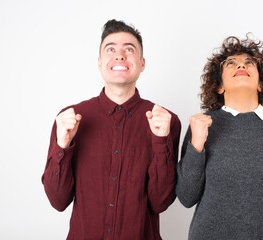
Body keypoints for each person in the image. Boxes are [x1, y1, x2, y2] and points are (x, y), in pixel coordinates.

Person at [42, 19, 181, 240]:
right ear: (99, 62)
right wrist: (62, 146)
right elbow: (58, 201)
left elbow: (160, 202)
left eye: (129, 49)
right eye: (110, 49)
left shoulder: (166, 121)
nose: (119, 55)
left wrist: (160, 141)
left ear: (142, 63)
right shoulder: (69, 119)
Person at [176, 35, 263, 240]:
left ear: (261, 84)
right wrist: (197, 147)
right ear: (219, 86)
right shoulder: (201, 125)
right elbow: (187, 197)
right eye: (230, 63)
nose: (241, 65)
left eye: (249, 63)